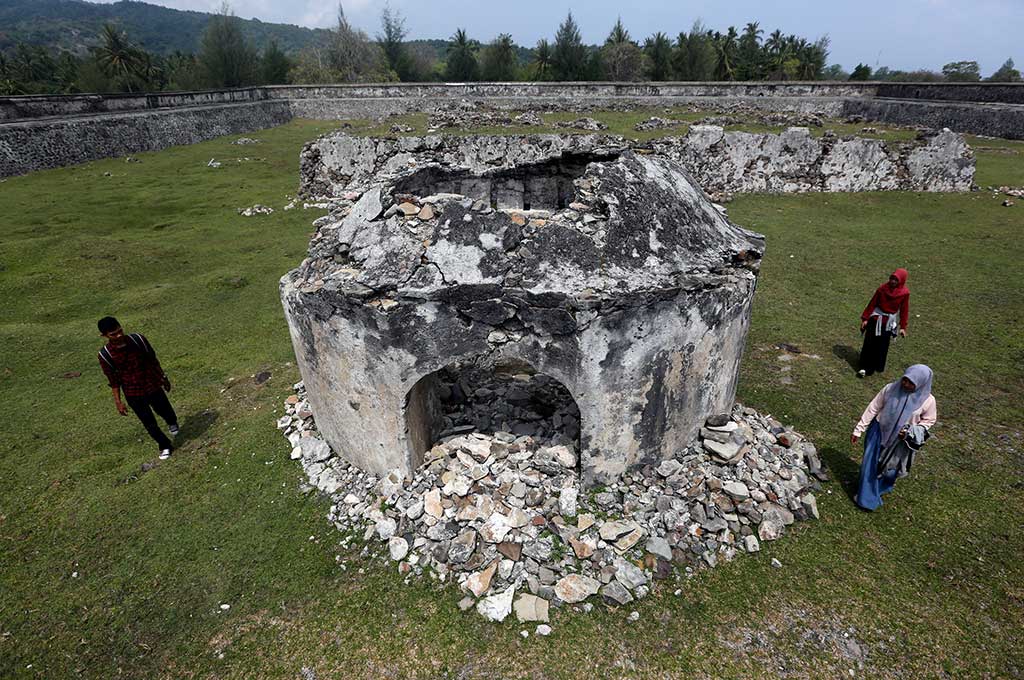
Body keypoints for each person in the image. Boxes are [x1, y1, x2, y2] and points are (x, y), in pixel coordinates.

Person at [850, 364, 936, 510]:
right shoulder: (891, 388)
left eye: (911, 383)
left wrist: (913, 430)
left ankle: (879, 488)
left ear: (921, 383)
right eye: (905, 380)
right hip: (878, 431)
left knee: (891, 470)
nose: (906, 384)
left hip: (900, 441)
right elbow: (874, 407)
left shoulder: (928, 400)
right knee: (869, 464)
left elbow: (929, 420)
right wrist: (859, 429)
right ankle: (866, 499)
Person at [97, 316, 179, 460]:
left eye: (120, 331)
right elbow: (113, 381)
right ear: (104, 336)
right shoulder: (105, 355)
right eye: (114, 334)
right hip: (133, 393)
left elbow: (153, 360)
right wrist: (118, 402)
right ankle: (164, 445)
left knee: (165, 410)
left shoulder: (138, 340)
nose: (119, 335)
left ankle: (172, 422)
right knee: (148, 422)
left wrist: (163, 378)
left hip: (152, 384)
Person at [857, 268, 910, 378]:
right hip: (875, 320)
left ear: (901, 281)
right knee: (869, 343)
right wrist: (865, 318)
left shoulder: (904, 293)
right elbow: (872, 303)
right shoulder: (882, 289)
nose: (893, 281)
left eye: (896, 280)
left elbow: (904, 310)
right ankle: (864, 366)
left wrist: (903, 327)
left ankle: (876, 365)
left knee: (881, 345)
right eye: (892, 278)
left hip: (887, 324)